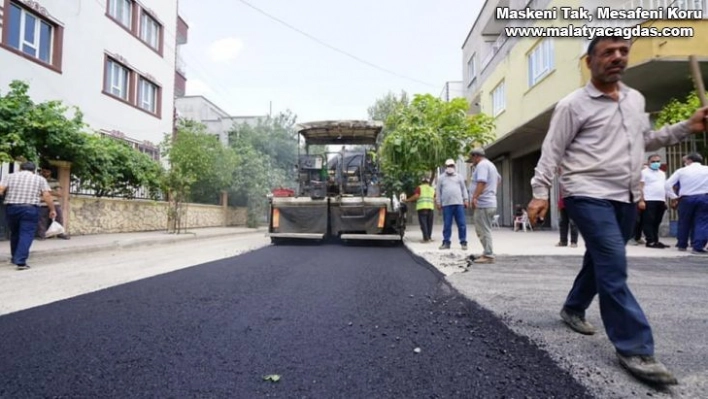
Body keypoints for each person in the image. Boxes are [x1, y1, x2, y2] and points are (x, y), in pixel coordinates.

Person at [527, 35, 708, 385]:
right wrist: (539, 193)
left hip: (624, 195)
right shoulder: (573, 105)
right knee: (613, 261)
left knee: (601, 259)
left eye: (622, 51)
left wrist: (689, 126)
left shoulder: (634, 100)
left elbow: (646, 140)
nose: (617, 57)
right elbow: (552, 150)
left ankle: (573, 307)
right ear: (589, 62)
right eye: (607, 52)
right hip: (585, 192)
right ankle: (635, 346)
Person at [0, 161, 57, 270]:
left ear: (20, 168)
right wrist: (52, 209)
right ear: (34, 170)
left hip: (12, 208)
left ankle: (14, 257)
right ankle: (20, 261)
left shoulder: (10, 176)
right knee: (26, 234)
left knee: (15, 233)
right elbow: (47, 195)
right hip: (30, 209)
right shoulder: (40, 179)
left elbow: (1, 190)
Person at [665, 152, 708, 254]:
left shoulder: (681, 171)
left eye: (685, 161)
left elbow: (667, 184)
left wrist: (674, 197)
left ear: (689, 160)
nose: (684, 162)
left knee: (684, 221)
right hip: (704, 198)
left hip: (686, 199)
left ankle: (682, 244)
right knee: (702, 222)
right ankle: (698, 246)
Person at [468, 148, 498, 263]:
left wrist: (475, 197)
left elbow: (482, 182)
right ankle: (487, 252)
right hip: (489, 202)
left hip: (484, 204)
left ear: (476, 156)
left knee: (483, 230)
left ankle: (489, 255)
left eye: (472, 158)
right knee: (484, 229)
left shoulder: (482, 165)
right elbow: (498, 180)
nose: (472, 161)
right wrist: (490, 191)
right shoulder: (491, 165)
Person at [435, 159, 469, 250]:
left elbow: (464, 189)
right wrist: (438, 202)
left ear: (454, 166)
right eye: (448, 166)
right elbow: (438, 191)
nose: (450, 168)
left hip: (458, 204)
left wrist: (466, 199)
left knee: (462, 224)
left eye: (451, 166)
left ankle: (463, 242)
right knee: (447, 224)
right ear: (445, 167)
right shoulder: (441, 178)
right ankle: (446, 242)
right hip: (446, 205)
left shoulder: (459, 177)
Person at [639, 154, 667, 248]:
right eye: (653, 161)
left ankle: (656, 240)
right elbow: (640, 187)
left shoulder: (662, 173)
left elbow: (663, 186)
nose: (656, 163)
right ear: (648, 162)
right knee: (648, 221)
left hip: (660, 200)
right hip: (649, 199)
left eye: (658, 161)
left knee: (657, 221)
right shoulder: (644, 172)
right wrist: (641, 200)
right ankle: (650, 241)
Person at [37, 164, 70, 240]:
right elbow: (37, 192)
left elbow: (59, 193)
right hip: (42, 203)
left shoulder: (54, 181)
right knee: (42, 220)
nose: (45, 173)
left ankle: (60, 233)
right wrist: (51, 192)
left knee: (59, 218)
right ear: (41, 171)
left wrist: (45, 192)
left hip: (55, 203)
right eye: (44, 171)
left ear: (50, 172)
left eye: (47, 172)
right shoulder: (38, 181)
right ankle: (42, 235)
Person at [406, 176, 435, 242]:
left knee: (423, 224)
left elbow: (416, 196)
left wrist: (407, 200)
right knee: (429, 224)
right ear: (428, 182)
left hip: (422, 208)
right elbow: (434, 198)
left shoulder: (420, 188)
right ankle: (429, 237)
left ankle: (426, 238)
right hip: (430, 207)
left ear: (422, 182)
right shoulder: (432, 188)